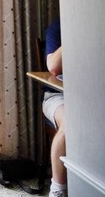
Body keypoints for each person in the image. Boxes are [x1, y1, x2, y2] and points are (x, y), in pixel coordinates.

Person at [44, 17, 67, 197]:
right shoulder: (57, 28)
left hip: (90, 96)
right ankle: (58, 189)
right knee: (71, 123)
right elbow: (53, 67)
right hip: (57, 96)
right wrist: (75, 32)